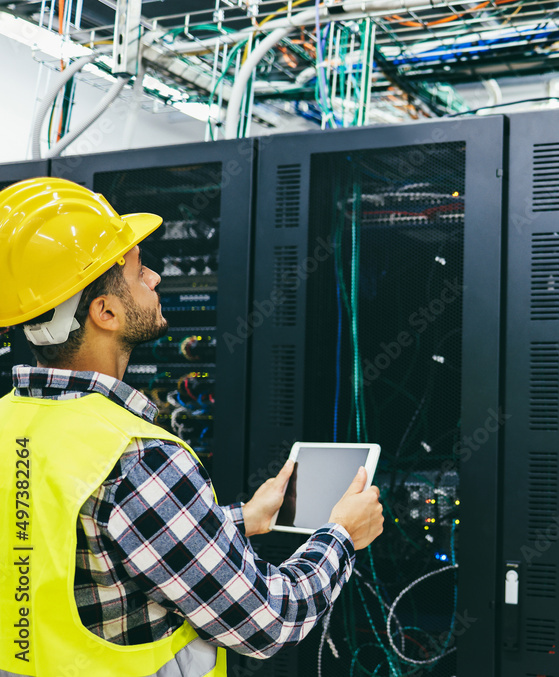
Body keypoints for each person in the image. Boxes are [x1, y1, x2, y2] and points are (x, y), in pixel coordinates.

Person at [0, 178, 384, 676]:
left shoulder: (11, 422)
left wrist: (243, 518)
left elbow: (75, 548)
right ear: (106, 312)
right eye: (139, 272)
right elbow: (267, 622)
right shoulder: (136, 456)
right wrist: (342, 536)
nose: (156, 278)